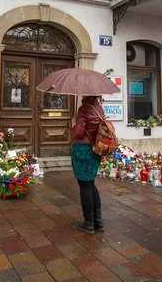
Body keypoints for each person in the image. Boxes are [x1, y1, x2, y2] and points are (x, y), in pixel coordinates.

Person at [69, 95, 104, 234]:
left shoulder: (84, 109)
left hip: (83, 150)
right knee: (91, 183)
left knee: (84, 185)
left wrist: (74, 124)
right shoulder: (99, 109)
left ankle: (88, 223)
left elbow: (79, 133)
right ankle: (98, 221)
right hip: (96, 149)